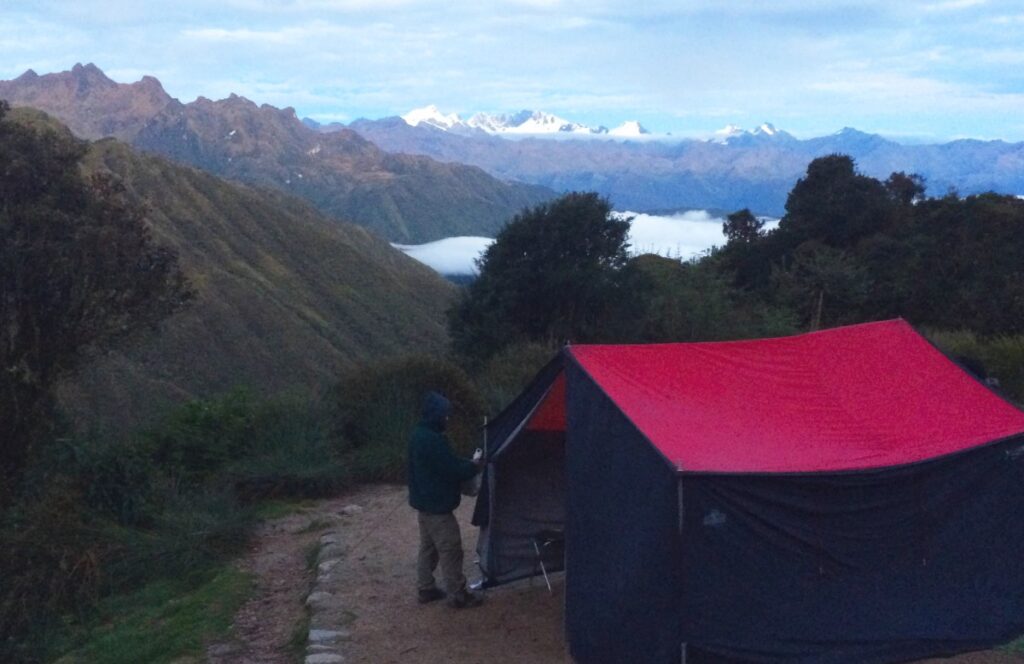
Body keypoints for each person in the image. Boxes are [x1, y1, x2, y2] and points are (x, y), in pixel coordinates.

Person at [407, 391, 484, 608]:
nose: (447, 418)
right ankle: (458, 594)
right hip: (437, 508)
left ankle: (426, 588)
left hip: (424, 506)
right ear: (436, 415)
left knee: (428, 548)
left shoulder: (418, 435)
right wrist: (474, 466)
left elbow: (445, 462)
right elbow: (451, 469)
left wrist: (465, 464)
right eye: (445, 414)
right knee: (451, 548)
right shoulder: (433, 440)